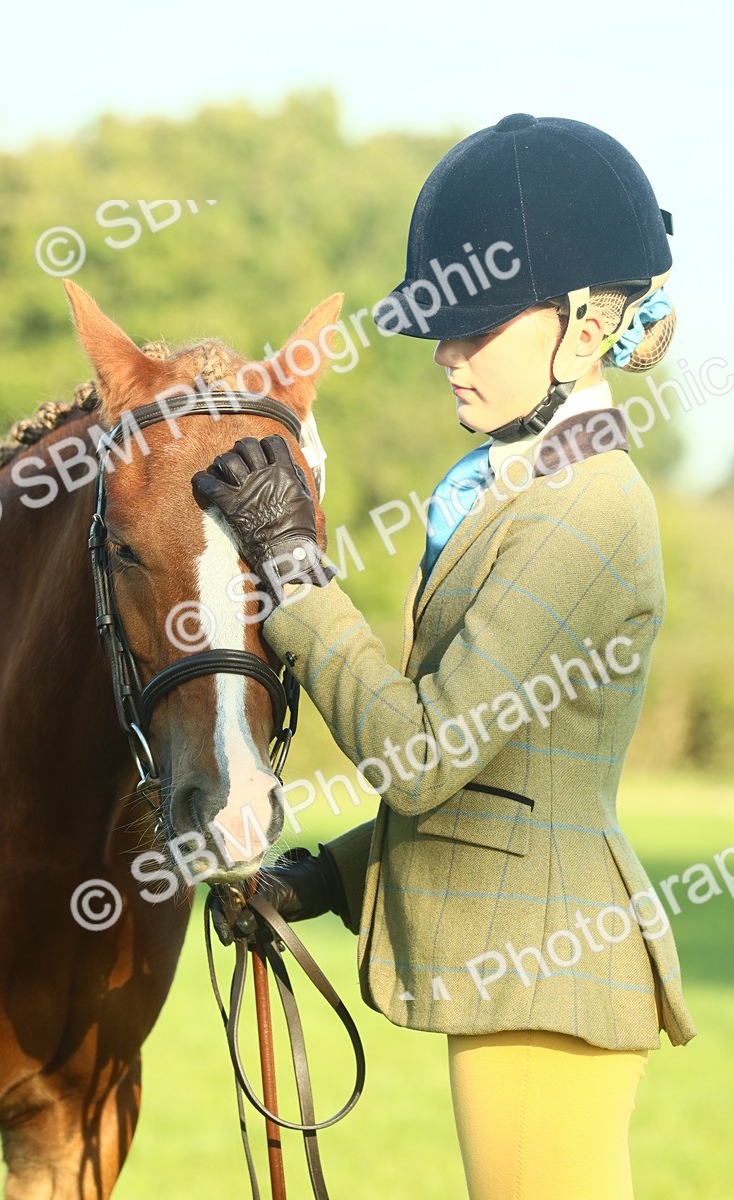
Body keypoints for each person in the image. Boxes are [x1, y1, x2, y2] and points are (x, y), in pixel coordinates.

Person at [193, 113, 697, 1200]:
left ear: (580, 330)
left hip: (546, 988)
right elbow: (488, 798)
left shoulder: (585, 512)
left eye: (476, 329)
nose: (445, 355)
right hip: (535, 986)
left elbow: (426, 754)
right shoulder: (527, 492)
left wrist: (293, 570)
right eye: (443, 329)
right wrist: (320, 878)